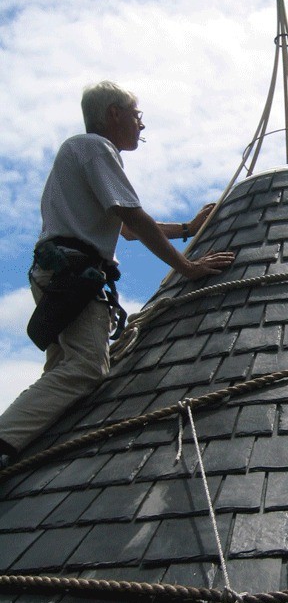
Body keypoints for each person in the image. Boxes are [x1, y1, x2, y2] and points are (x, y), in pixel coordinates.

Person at [0, 81, 234, 461]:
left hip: (58, 271)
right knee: (87, 368)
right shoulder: (95, 148)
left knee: (62, 369)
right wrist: (186, 266)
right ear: (113, 114)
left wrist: (188, 229)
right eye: (137, 116)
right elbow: (132, 218)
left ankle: (22, 452)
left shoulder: (80, 152)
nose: (141, 126)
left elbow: (125, 229)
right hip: (74, 275)